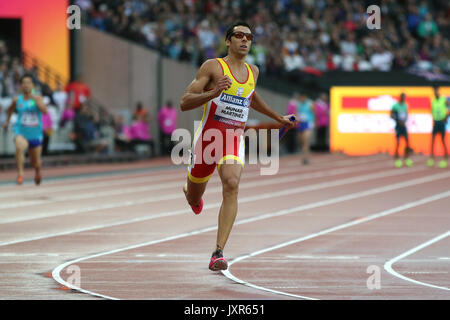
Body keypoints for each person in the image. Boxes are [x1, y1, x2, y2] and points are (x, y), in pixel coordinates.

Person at [179, 21, 297, 271]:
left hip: (232, 139)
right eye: (239, 35)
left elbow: (250, 96)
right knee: (193, 196)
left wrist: (278, 118)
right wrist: (212, 93)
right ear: (228, 41)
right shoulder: (212, 66)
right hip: (207, 140)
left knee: (231, 184)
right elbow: (185, 102)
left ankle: (218, 252)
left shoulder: (253, 71)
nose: (245, 40)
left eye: (249, 37)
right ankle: (191, 195)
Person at [2, 74, 47, 185]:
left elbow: (44, 111)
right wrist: (7, 121)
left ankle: (37, 172)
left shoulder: (38, 97)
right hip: (21, 131)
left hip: (35, 134)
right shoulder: (17, 99)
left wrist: (35, 100)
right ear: (20, 85)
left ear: (32, 85)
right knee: (19, 147)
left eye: (28, 83)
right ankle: (20, 174)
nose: (26, 85)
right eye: (24, 83)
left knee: (35, 162)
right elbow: (9, 110)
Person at [427, 87, 449, 168]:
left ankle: (445, 159)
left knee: (443, 141)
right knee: (433, 141)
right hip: (436, 122)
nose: (436, 93)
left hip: (442, 122)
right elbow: (431, 110)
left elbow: (448, 107)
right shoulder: (433, 101)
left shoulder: (443, 99)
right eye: (434, 92)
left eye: (436, 91)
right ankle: (431, 159)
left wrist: (446, 116)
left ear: (438, 92)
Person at [391, 93, 413, 168]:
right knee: (398, 143)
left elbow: (406, 115)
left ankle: (407, 158)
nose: (403, 99)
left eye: (404, 97)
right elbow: (392, 115)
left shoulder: (405, 105)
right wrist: (398, 121)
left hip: (403, 126)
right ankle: (397, 159)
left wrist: (404, 121)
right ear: (400, 98)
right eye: (402, 97)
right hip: (398, 126)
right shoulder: (395, 106)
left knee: (407, 142)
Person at [296, 92, 315, 165]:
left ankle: (305, 158)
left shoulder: (310, 103)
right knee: (302, 142)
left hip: (308, 123)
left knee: (306, 140)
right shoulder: (299, 104)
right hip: (301, 123)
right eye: (300, 98)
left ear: (305, 97)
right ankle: (305, 154)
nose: (301, 99)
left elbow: (314, 113)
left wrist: (314, 123)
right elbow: (297, 113)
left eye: (302, 98)